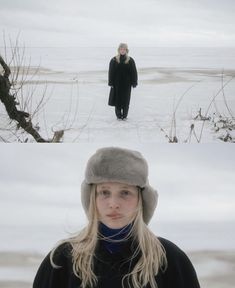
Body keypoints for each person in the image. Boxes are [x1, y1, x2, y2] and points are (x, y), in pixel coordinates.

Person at [33, 147, 200, 288]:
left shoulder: (169, 258)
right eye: (105, 192)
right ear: (93, 198)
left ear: (140, 200)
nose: (113, 203)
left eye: (125, 192)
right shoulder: (61, 260)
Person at [108, 43, 138, 120]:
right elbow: (111, 72)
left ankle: (124, 116)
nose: (122, 51)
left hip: (127, 84)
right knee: (117, 100)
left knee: (126, 100)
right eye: (121, 49)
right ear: (119, 50)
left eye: (124, 49)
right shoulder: (114, 59)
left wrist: (134, 82)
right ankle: (118, 116)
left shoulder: (130, 60)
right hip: (116, 84)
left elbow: (134, 72)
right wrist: (110, 82)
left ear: (126, 50)